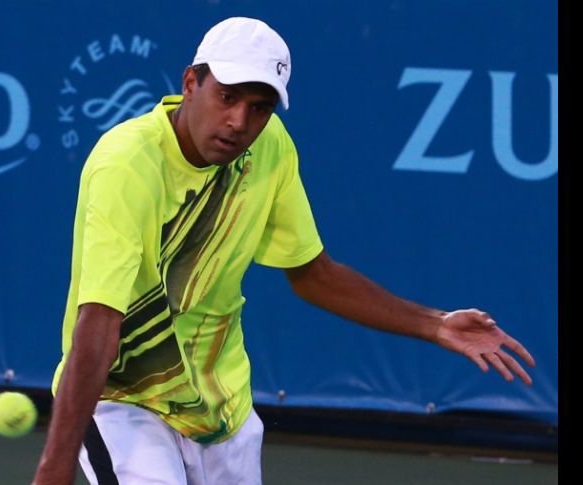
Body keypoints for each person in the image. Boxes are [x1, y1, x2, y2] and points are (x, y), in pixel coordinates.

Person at [32, 16, 536, 485]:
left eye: (259, 107)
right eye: (227, 97)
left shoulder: (269, 147)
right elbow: (99, 319)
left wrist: (436, 323)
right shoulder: (126, 165)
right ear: (190, 83)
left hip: (219, 405)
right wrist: (55, 468)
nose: (239, 121)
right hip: (125, 399)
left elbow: (313, 273)